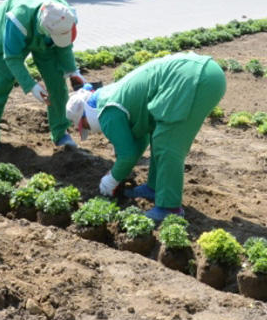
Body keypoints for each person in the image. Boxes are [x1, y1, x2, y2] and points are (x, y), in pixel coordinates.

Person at [65, 52, 226, 223]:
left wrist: (111, 179)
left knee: (168, 144)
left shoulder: (107, 113)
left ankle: (169, 208)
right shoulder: (109, 95)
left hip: (195, 79)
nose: (92, 131)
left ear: (85, 116)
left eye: (86, 126)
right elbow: (139, 142)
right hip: (200, 71)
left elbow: (128, 155)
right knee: (159, 137)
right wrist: (120, 172)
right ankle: (155, 188)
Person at [0, 0, 84, 160]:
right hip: (4, 33)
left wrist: (73, 71)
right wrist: (32, 87)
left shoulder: (64, 14)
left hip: (45, 35)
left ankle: (60, 132)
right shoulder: (16, 19)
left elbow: (64, 47)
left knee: (57, 83)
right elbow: (12, 58)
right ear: (44, 31)